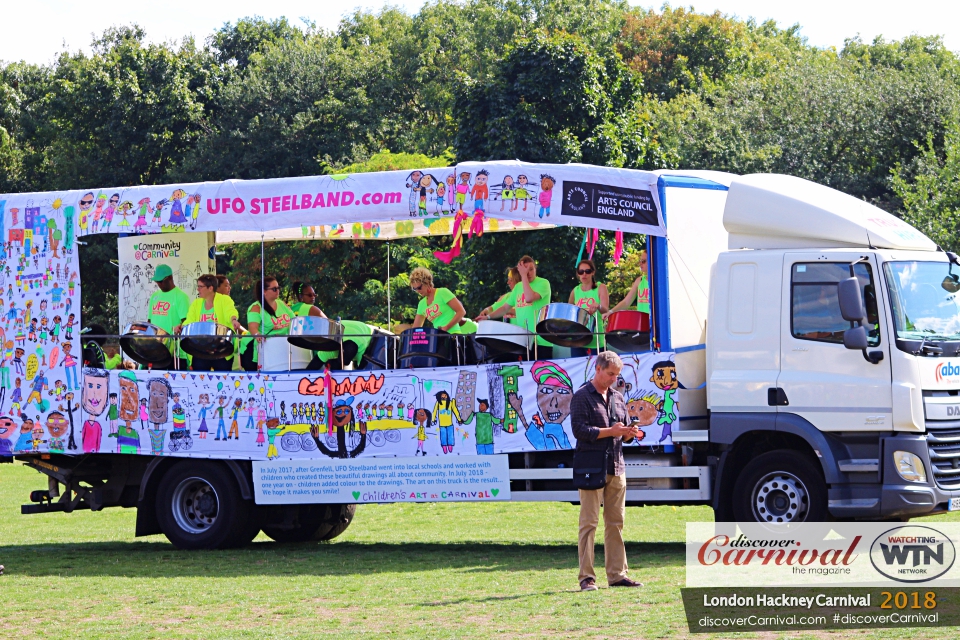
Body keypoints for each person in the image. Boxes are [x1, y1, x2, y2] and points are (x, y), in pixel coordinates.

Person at [570, 351, 642, 591]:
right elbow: (580, 431)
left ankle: (617, 574)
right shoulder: (581, 396)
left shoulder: (618, 398)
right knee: (588, 523)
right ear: (598, 369)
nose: (614, 379)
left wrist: (628, 434)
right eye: (610, 374)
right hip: (591, 467)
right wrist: (610, 432)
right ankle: (586, 577)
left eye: (617, 375)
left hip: (617, 467)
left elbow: (620, 430)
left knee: (616, 523)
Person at [478, 256, 552, 358]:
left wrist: (523, 276)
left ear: (535, 269)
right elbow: (504, 308)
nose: (528, 272)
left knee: (540, 373)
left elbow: (529, 298)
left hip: (541, 340)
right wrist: (487, 317)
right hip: (523, 341)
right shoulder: (518, 287)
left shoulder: (543, 283)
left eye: (531, 269)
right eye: (525, 270)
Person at [177, 274, 242, 371]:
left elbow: (230, 311)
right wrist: (182, 326)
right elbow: (189, 320)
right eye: (197, 286)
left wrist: (233, 320)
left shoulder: (224, 300)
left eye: (200, 286)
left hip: (221, 349)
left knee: (222, 381)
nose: (198, 289)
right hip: (201, 349)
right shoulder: (196, 303)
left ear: (210, 288)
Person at [244, 276, 295, 370]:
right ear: (264, 291)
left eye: (278, 288)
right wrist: (257, 334)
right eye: (274, 289)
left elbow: (295, 321)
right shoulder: (256, 307)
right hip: (262, 351)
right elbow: (252, 327)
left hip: (282, 349)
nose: (278, 291)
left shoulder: (281, 304)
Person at [147, 263, 190, 364]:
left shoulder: (180, 296)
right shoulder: (154, 296)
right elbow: (149, 321)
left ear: (170, 277)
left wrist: (178, 329)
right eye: (157, 282)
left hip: (175, 351)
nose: (159, 284)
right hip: (156, 348)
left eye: (161, 281)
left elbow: (187, 322)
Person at [568, 259, 608, 356]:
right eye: (581, 272)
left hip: (596, 339)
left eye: (587, 271)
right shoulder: (575, 291)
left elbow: (605, 310)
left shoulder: (600, 287)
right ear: (578, 274)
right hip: (578, 339)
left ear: (593, 272)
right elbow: (569, 312)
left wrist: (598, 306)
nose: (584, 274)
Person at [410, 267, 466, 334]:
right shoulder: (421, 304)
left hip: (453, 334)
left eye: (419, 287)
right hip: (438, 338)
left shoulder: (443, 292)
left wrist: (446, 328)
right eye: (414, 289)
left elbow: (461, 312)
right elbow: (415, 329)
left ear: (427, 283)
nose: (418, 291)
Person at [605, 248, 650, 320]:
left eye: (643, 261)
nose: (640, 263)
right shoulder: (639, 280)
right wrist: (610, 312)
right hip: (642, 324)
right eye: (640, 261)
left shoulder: (658, 282)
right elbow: (626, 302)